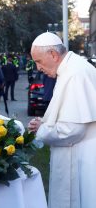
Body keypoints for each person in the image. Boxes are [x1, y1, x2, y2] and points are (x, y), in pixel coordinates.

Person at [28, 32, 96, 208]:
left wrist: (40, 130)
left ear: (53, 55)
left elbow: (72, 130)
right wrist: (44, 123)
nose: (38, 68)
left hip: (83, 157)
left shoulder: (75, 73)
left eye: (39, 61)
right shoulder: (70, 69)